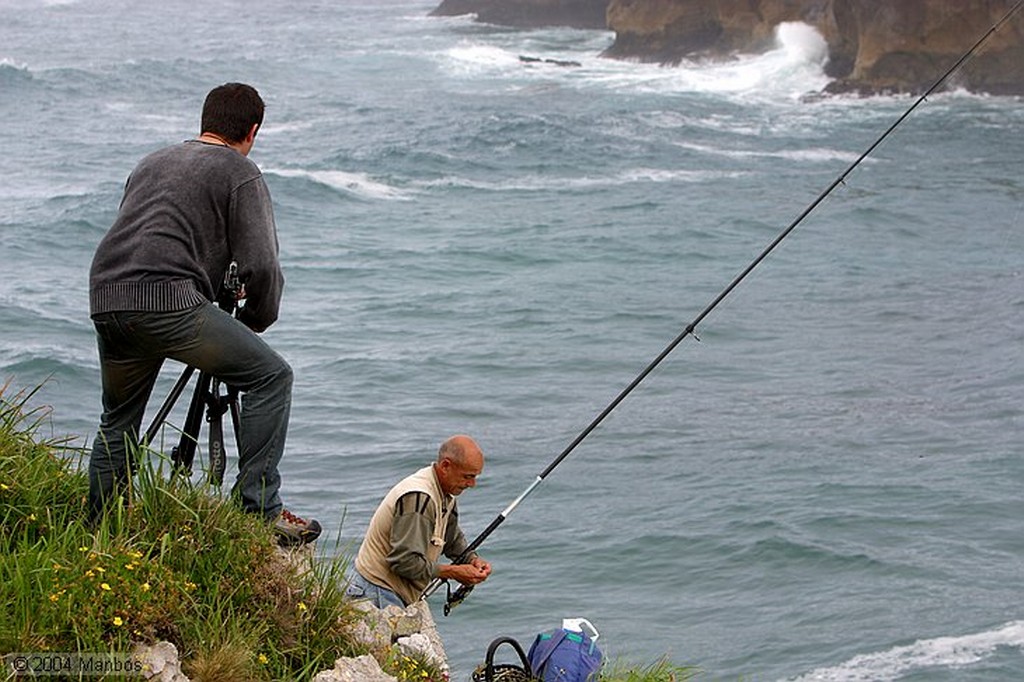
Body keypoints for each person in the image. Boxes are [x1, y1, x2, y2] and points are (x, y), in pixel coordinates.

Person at [86, 82, 320, 547]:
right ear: (252, 131)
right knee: (271, 376)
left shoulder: (151, 162)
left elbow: (153, 235)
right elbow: (262, 265)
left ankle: (99, 533)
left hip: (107, 295)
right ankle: (260, 509)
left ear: (205, 121)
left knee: (118, 421)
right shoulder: (240, 171)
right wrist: (255, 321)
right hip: (169, 302)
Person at [349, 435, 492, 608]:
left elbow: (452, 540)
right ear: (446, 466)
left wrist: (472, 560)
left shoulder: (445, 493)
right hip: (377, 592)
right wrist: (453, 572)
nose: (472, 484)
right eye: (467, 476)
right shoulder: (419, 499)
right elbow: (404, 562)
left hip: (392, 593)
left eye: (475, 476)